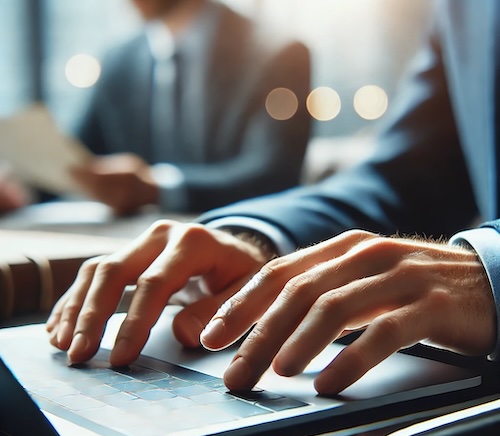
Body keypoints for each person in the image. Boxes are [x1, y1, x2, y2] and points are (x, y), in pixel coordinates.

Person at [47, 0, 499, 399]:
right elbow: (410, 175)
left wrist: (491, 270)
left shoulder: (273, 47)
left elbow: (269, 166)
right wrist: (257, 238)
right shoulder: (462, 6)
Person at [70, 0, 311, 215]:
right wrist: (34, 189)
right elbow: (77, 156)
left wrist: (155, 188)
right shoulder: (119, 60)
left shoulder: (277, 52)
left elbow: (274, 173)